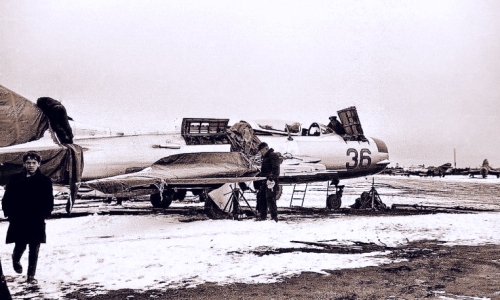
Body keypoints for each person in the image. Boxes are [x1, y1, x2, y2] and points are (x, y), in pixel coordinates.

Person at [2, 151, 54, 284]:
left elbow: (49, 199)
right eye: (28, 163)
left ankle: (31, 276)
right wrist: (9, 213)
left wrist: (46, 213)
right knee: (20, 244)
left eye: (34, 163)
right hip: (19, 218)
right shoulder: (15, 179)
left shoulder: (44, 181)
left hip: (36, 218)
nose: (31, 165)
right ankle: (16, 258)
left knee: (34, 247)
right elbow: (7, 198)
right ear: (24, 164)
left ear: (39, 164)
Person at [255, 142, 280, 222]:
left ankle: (274, 216)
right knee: (261, 197)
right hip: (264, 180)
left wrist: (271, 178)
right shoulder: (266, 157)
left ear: (266, 148)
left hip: (270, 181)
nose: (261, 152)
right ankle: (262, 216)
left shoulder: (272, 155)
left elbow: (276, 169)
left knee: (270, 198)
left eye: (262, 150)